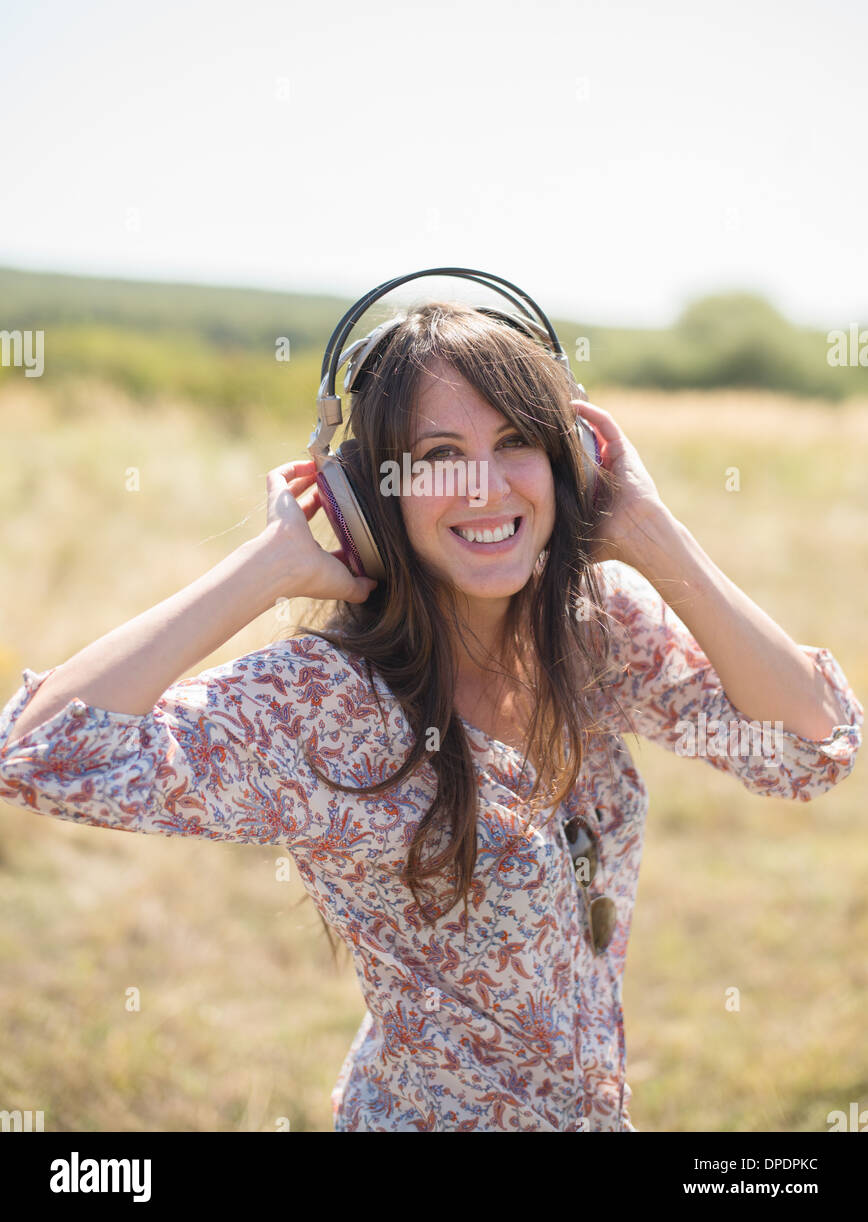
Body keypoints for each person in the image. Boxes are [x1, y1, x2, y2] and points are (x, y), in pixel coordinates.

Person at [0, 300, 862, 1133]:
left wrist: (650, 528)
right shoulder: (326, 702)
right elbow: (34, 753)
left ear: (571, 467)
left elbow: (811, 746)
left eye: (518, 442)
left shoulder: (598, 633)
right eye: (440, 455)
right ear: (369, 499)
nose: (486, 488)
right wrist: (266, 566)